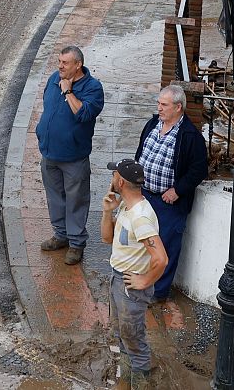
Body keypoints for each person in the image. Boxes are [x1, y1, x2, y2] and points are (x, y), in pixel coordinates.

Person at [134, 85, 207, 303]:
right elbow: (141, 153)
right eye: (158, 103)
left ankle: (158, 293)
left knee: (166, 247)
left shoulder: (190, 136)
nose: (159, 108)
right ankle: (140, 284)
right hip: (145, 195)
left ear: (178, 107)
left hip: (169, 203)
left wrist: (178, 190)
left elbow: (199, 170)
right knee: (142, 243)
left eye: (163, 105)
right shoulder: (152, 124)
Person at [35, 45, 105, 264]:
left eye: (65, 63)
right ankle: (61, 235)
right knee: (55, 197)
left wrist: (68, 91)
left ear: (78, 65)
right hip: (49, 153)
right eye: (59, 62)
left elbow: (83, 114)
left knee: (76, 200)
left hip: (74, 157)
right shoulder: (54, 78)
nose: (60, 66)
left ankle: (76, 243)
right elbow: (48, 108)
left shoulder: (93, 88)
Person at [101, 159, 167, 385]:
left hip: (130, 287)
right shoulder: (125, 207)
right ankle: (125, 383)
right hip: (117, 280)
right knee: (123, 338)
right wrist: (107, 212)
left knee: (134, 344)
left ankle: (141, 383)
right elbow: (107, 238)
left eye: (114, 175)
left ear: (119, 181)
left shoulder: (140, 217)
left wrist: (144, 281)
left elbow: (161, 258)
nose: (112, 179)